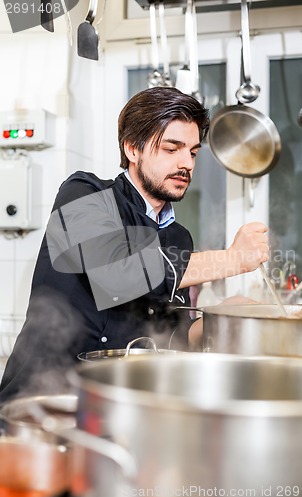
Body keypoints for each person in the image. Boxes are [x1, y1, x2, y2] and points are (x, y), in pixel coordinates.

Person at [0, 87, 269, 404]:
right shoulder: (85, 194)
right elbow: (120, 273)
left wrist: (219, 322)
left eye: (193, 152)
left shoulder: (179, 238)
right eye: (172, 149)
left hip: (117, 407)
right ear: (132, 148)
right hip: (39, 402)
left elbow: (170, 335)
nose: (187, 163)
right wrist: (232, 259)